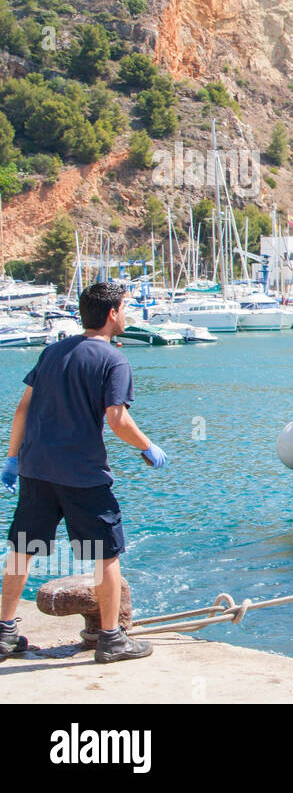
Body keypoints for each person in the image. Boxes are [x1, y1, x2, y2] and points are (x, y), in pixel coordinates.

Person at [1, 282, 167, 664]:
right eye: (125, 307)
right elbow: (117, 419)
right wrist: (147, 447)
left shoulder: (52, 351)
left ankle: (4, 632)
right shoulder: (113, 360)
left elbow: (23, 409)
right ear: (112, 314)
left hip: (36, 470)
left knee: (23, 549)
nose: (127, 313)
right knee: (103, 554)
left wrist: (11, 460)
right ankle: (112, 639)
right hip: (82, 476)